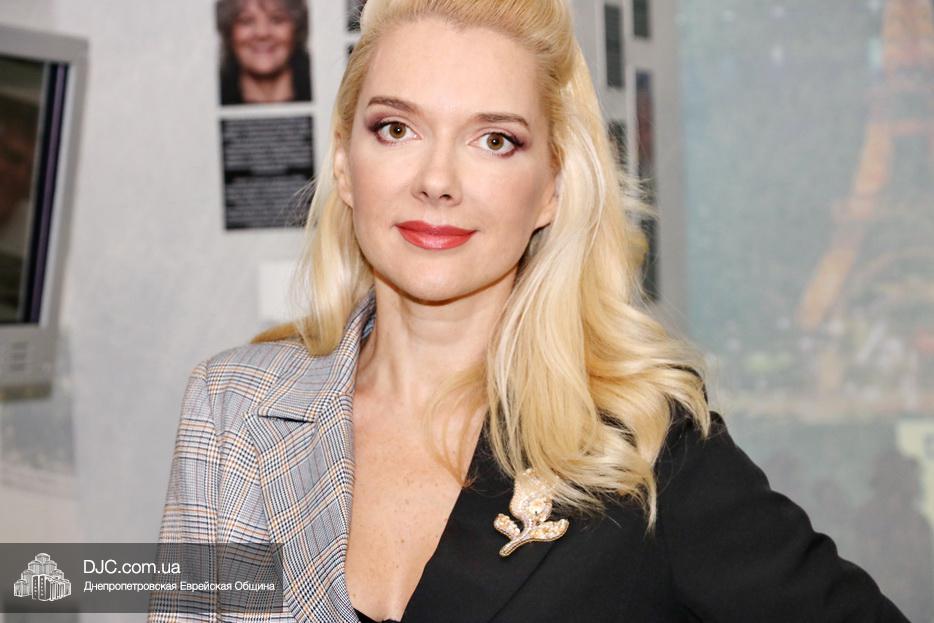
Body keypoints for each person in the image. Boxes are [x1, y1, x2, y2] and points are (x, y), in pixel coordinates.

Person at [152, 0, 911, 621]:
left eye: (494, 140)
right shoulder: (234, 411)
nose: (437, 179)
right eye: (397, 128)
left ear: (551, 186)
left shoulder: (641, 443)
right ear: (347, 164)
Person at [215, 0, 312, 105]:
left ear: (296, 29)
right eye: (246, 21)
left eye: (277, 19)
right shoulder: (210, 99)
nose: (262, 33)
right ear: (229, 32)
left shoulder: (323, 94)